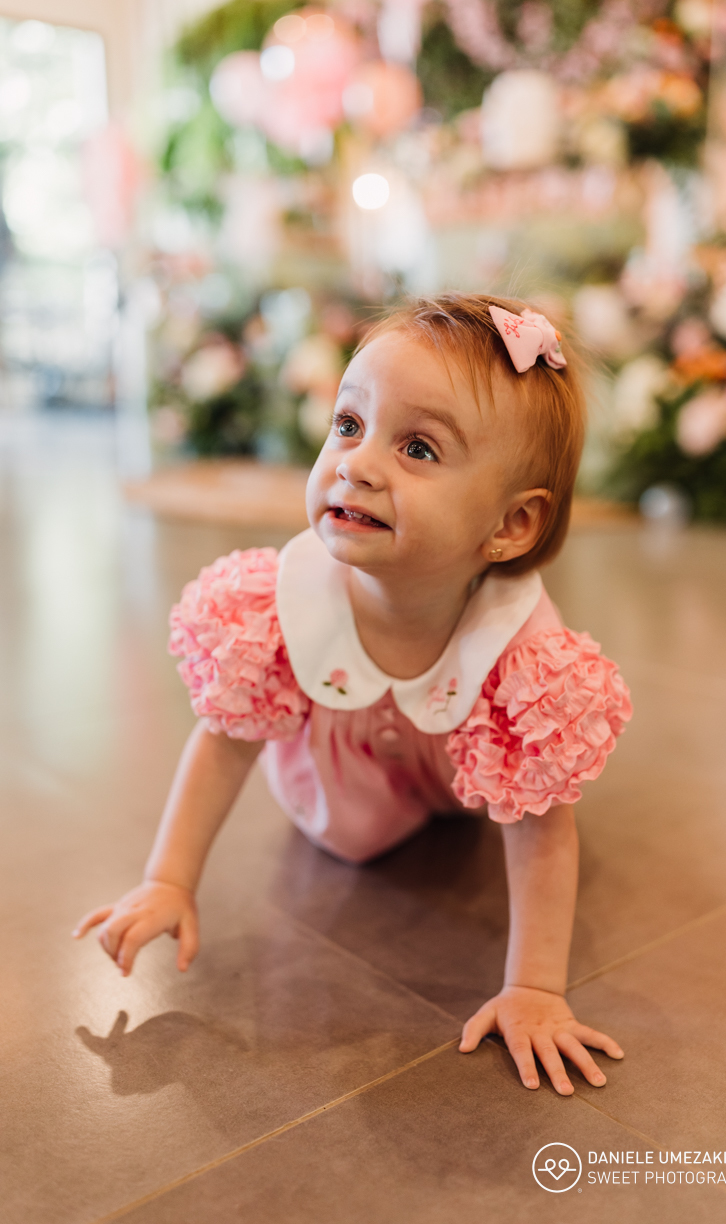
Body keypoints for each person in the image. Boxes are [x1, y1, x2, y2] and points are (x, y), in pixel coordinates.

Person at [74, 293, 632, 1095]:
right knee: (344, 836)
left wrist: (535, 988)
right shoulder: (289, 601)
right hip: (344, 769)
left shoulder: (520, 649)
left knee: (510, 799)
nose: (357, 464)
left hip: (455, 764)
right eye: (348, 424)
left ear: (510, 525)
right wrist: (168, 878)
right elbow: (225, 745)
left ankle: (446, 796)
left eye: (419, 448)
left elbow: (542, 831)